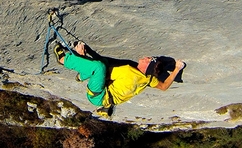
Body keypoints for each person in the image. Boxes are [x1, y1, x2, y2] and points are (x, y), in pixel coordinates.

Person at [54, 41, 186, 117]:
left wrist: (81, 56)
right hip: (108, 97)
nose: (146, 57)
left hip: (97, 95)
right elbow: (163, 87)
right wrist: (176, 69)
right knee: (102, 64)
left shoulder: (128, 71)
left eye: (148, 60)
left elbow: (103, 73)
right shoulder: (148, 79)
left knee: (99, 66)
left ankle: (63, 60)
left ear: (147, 67)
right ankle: (82, 75)